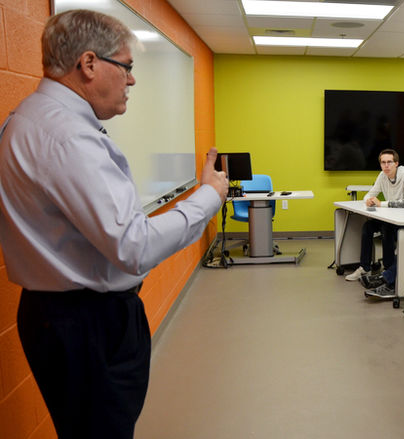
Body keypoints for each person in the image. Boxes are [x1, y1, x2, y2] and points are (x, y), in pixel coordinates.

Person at [0, 10, 228, 439]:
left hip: (62, 317)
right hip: (87, 324)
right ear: (88, 64)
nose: (132, 80)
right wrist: (208, 198)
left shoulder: (30, 118)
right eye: (127, 67)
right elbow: (134, 245)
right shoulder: (66, 136)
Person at [343, 149, 404, 300]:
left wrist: (381, 204)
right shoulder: (382, 175)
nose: (386, 166)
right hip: (392, 217)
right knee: (368, 227)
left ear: (396, 163)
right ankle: (364, 268)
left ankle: (388, 272)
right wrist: (368, 199)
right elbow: (372, 192)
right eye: (383, 162)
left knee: (387, 229)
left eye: (389, 162)